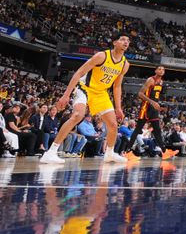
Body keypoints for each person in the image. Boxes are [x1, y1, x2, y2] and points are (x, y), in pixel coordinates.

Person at [40, 33, 131, 164]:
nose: (125, 42)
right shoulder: (102, 56)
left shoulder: (125, 64)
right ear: (115, 42)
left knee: (113, 124)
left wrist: (118, 107)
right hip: (85, 88)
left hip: (101, 93)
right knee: (77, 115)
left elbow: (117, 86)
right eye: (122, 39)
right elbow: (79, 72)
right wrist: (66, 95)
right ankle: (51, 152)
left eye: (128, 41)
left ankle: (110, 154)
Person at [122, 66, 178, 161]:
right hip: (146, 107)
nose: (161, 70)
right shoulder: (150, 80)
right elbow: (140, 94)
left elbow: (155, 97)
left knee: (157, 130)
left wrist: (160, 105)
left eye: (163, 69)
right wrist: (152, 102)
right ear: (155, 70)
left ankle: (164, 152)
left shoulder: (161, 82)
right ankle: (127, 152)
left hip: (154, 108)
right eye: (159, 69)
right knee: (138, 129)